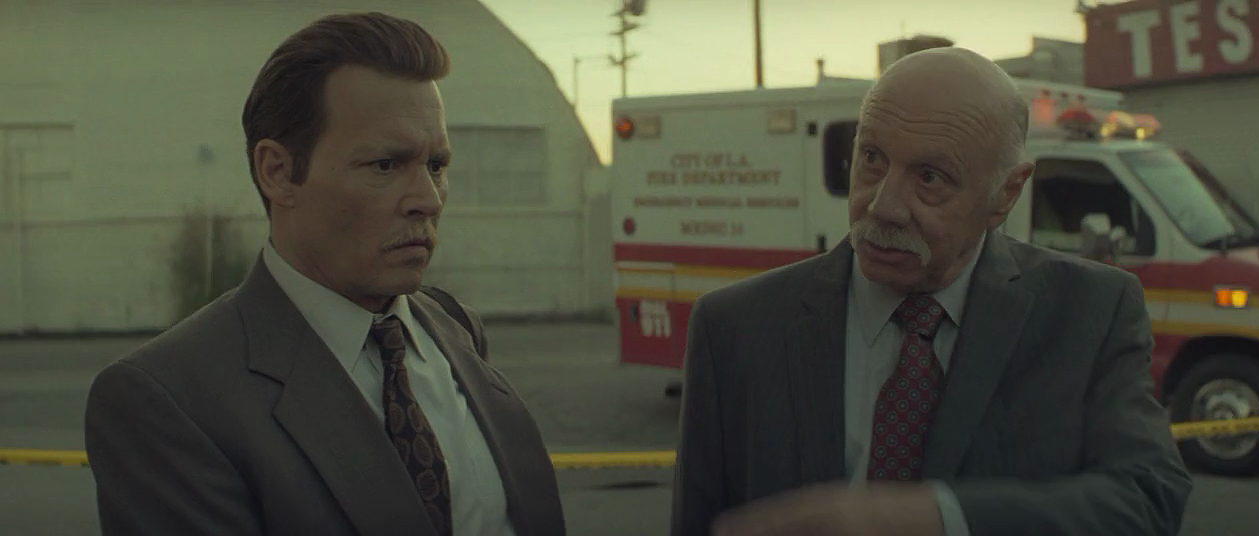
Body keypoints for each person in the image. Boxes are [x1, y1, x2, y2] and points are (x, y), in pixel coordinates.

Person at [671, 47, 1191, 536]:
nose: (883, 205)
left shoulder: (1090, 313)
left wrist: (935, 518)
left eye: (930, 177)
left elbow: (1149, 497)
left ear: (1006, 192)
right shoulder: (734, 327)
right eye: (872, 158)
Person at [84, 12, 565, 536]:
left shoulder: (455, 328)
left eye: (436, 166)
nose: (427, 200)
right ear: (278, 172)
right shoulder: (169, 398)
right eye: (385, 165)